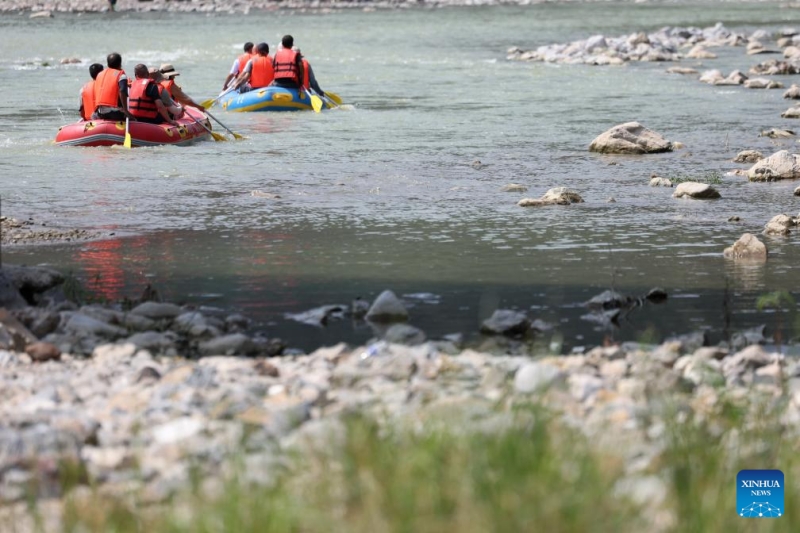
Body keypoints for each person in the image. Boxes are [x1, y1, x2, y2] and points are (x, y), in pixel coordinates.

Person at [92, 52, 129, 121]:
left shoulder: (99, 75)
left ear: (108, 64)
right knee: (135, 119)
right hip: (116, 113)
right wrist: (126, 111)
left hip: (101, 113)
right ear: (120, 64)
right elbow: (122, 91)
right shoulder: (121, 76)